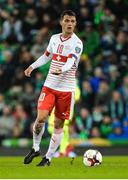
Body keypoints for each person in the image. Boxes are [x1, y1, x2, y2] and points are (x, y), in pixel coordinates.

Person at [24, 10, 83, 166]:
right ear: (61, 22)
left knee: (58, 125)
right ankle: (36, 148)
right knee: (41, 119)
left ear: (75, 23)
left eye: (72, 21)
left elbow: (71, 62)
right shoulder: (54, 39)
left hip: (66, 90)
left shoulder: (77, 43)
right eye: (67, 20)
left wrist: (61, 69)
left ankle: (48, 157)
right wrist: (32, 66)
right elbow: (46, 56)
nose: (70, 24)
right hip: (49, 86)